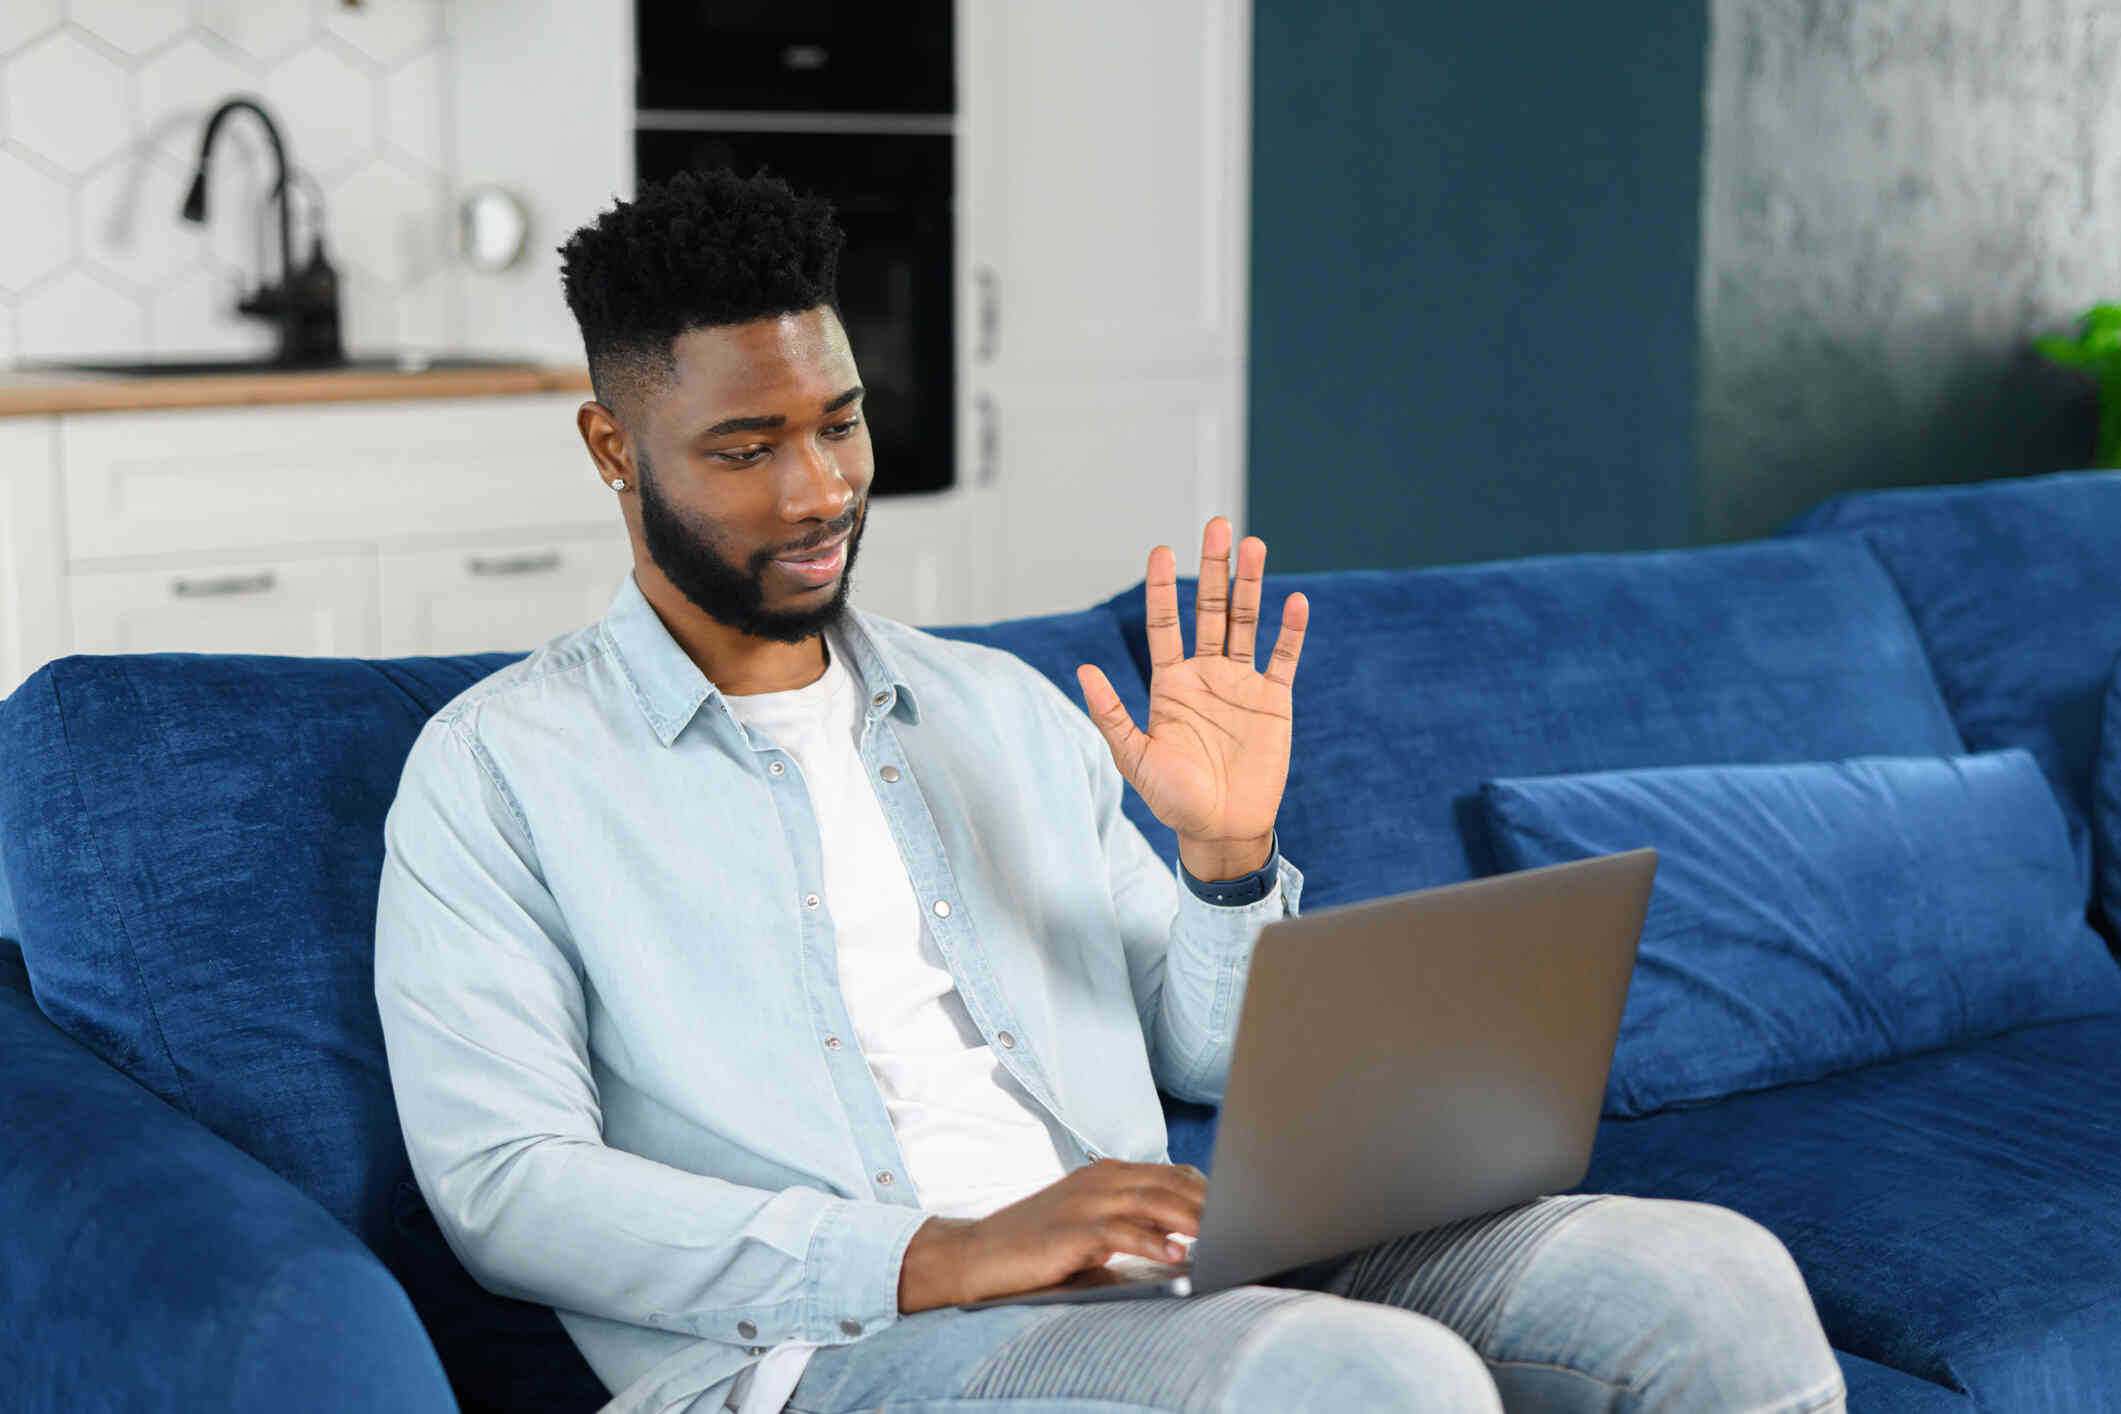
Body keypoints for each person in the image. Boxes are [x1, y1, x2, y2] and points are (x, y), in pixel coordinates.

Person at [373, 168, 1847, 1414]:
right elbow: (507, 1188)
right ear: (612, 448)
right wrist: (937, 1248)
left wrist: (1224, 854)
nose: (820, 488)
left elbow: (1204, 1047)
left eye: (837, 420)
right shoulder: (499, 773)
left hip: (1170, 1255)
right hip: (840, 1348)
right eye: (746, 449)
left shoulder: (1000, 711)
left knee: (1702, 1278)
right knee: (1356, 1381)